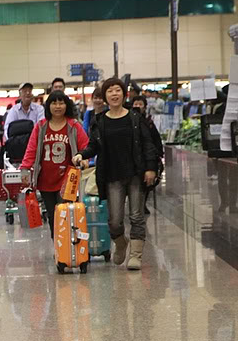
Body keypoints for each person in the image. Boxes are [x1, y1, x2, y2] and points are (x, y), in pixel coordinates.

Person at [73, 77, 157, 271]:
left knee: (136, 216)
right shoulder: (100, 121)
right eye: (109, 91)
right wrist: (82, 154)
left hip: (135, 173)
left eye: (117, 90)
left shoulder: (135, 118)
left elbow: (147, 144)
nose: (114, 94)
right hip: (111, 175)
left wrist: (150, 167)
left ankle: (136, 255)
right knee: (114, 220)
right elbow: (94, 146)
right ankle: (120, 242)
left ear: (124, 94)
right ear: (105, 97)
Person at [21, 91, 89, 238]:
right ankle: (58, 248)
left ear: (67, 105)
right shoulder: (41, 127)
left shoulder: (74, 126)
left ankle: (68, 246)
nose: (58, 106)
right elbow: (31, 149)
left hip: (68, 179)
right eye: (54, 103)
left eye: (61, 102)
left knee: (64, 213)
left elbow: (86, 146)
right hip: (45, 179)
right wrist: (25, 169)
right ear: (48, 106)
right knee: (53, 216)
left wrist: (84, 158)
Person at [131, 94, 164, 215]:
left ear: (145, 107)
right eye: (135, 104)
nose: (138, 106)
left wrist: (158, 154)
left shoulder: (149, 122)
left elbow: (155, 139)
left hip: (146, 157)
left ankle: (142, 203)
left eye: (140, 104)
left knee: (146, 183)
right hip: (133, 158)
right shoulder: (129, 120)